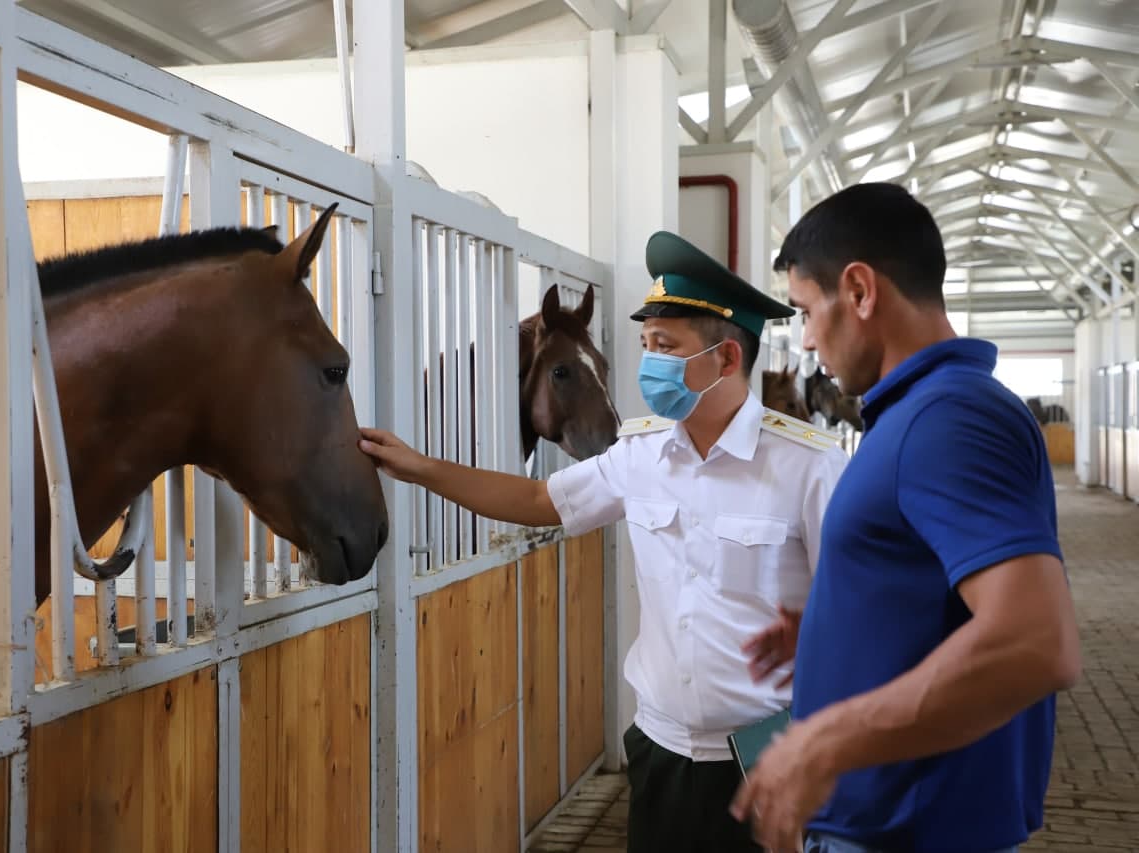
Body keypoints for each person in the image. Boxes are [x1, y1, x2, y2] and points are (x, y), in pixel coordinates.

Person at [360, 231, 849, 853]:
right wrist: (423, 467)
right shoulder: (641, 455)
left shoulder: (809, 467)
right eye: (647, 345)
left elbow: (859, 602)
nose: (650, 363)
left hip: (770, 755)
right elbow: (542, 501)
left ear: (726, 359)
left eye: (666, 347)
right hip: (661, 749)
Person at [729, 182, 1082, 853]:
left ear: (860, 290)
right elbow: (946, 593)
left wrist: (824, 740)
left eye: (806, 310)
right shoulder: (924, 412)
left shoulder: (946, 419)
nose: (805, 340)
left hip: (907, 832)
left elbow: (1035, 640)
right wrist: (844, 628)